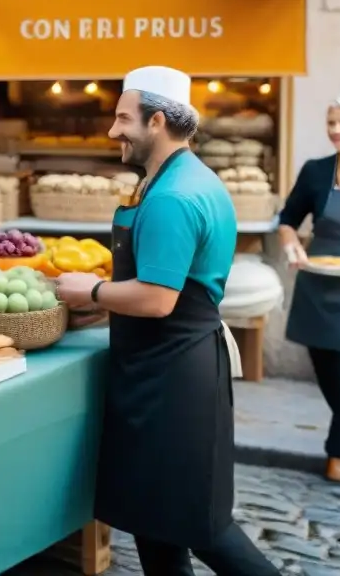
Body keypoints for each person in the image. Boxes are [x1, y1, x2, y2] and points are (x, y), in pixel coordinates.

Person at [56, 66, 278, 576]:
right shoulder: (182, 178)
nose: (113, 131)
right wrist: (106, 301)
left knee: (202, 528)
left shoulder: (174, 196)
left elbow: (157, 298)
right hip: (167, 366)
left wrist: (88, 289)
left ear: (157, 121)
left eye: (123, 118)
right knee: (157, 523)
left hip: (171, 378)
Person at [279, 92, 340, 483]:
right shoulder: (316, 171)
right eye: (331, 121)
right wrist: (290, 244)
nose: (335, 130)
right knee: (329, 373)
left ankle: (336, 452)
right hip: (318, 289)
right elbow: (288, 218)